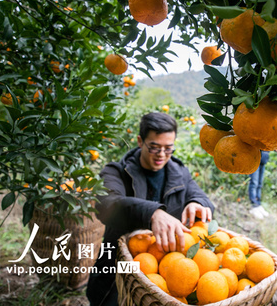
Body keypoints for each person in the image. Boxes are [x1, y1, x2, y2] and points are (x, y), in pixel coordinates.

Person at [86, 112, 214, 306]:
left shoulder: (179, 172)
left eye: (168, 149)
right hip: (117, 275)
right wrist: (152, 213)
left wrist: (197, 203)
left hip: (166, 276)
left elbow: (201, 197)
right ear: (140, 141)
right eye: (154, 147)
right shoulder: (117, 172)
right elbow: (107, 204)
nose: (162, 155)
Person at [248, 150, 270, 219]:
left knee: (259, 184)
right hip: (254, 159)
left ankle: (258, 204)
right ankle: (254, 205)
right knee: (254, 183)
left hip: (263, 160)